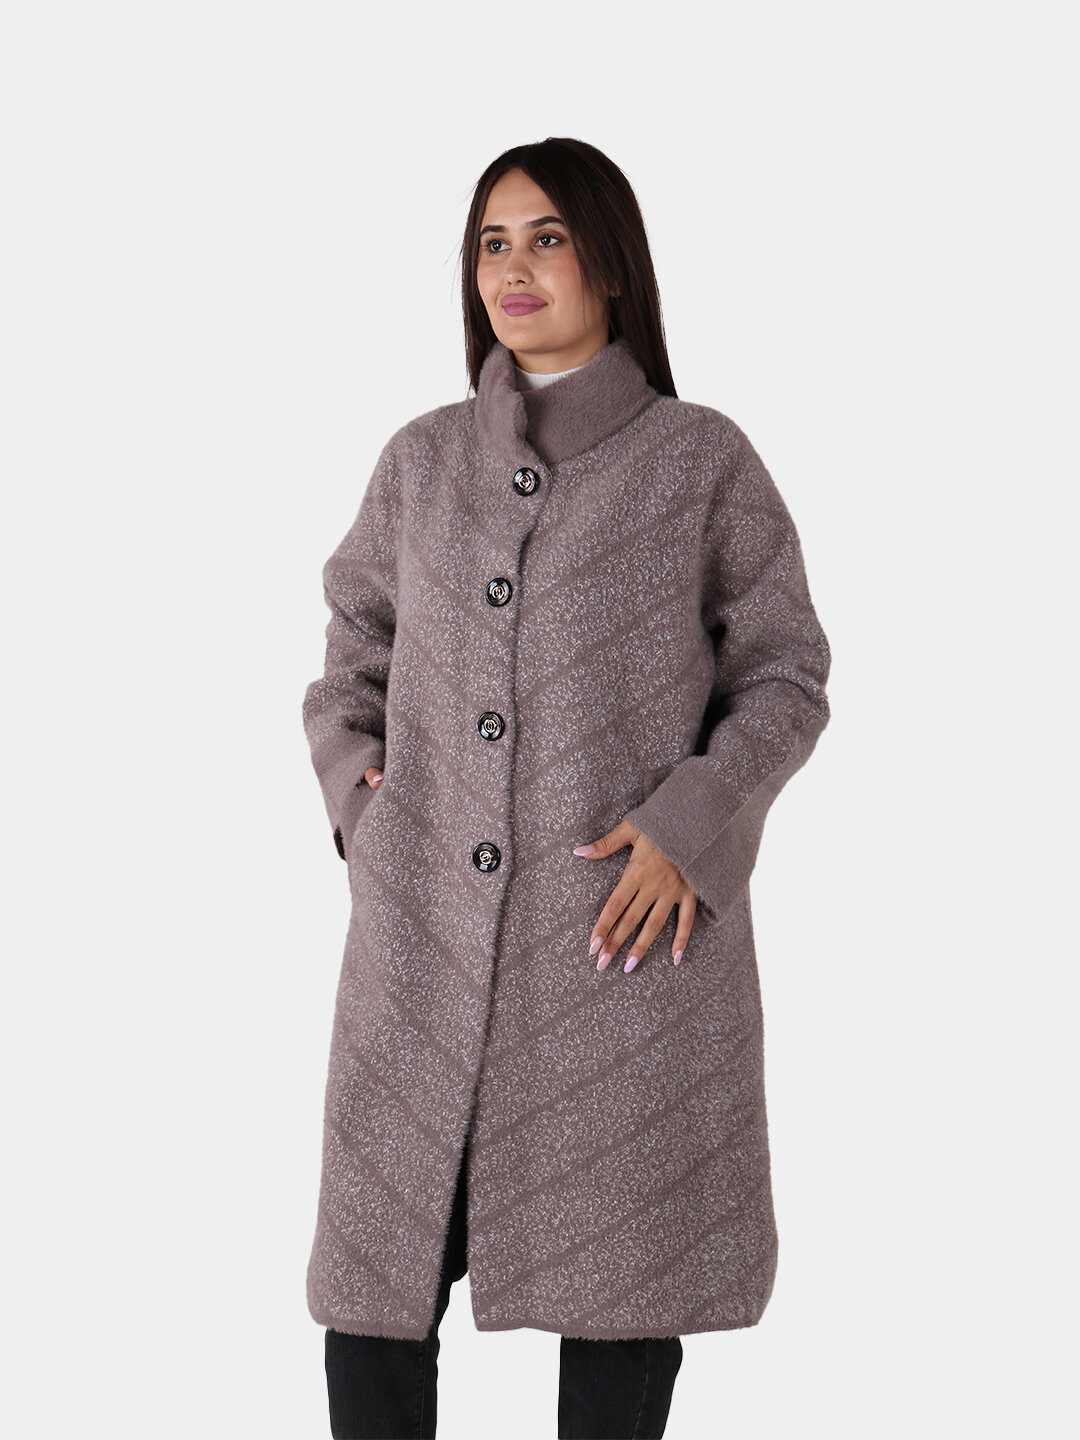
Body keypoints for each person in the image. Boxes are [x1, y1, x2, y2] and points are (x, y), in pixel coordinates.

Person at [302, 137, 832, 1439]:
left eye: (547, 237)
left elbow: (785, 677)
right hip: (422, 951)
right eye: (493, 242)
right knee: (376, 1297)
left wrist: (687, 825)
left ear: (612, 262)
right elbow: (350, 657)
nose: (515, 267)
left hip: (618, 956)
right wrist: (368, 809)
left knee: (620, 1307)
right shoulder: (421, 464)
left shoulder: (698, 460)